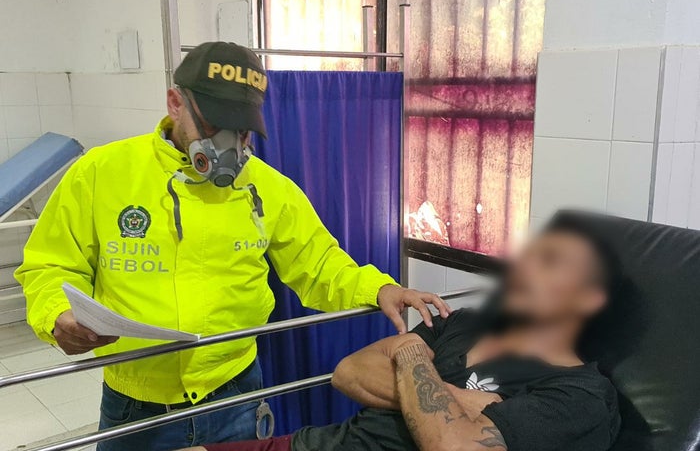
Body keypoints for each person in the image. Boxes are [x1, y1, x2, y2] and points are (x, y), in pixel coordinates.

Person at [14, 41, 450, 451]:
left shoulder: (269, 188)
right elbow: (50, 265)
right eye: (215, 125)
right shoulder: (101, 173)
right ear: (175, 103)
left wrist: (379, 288)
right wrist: (58, 315)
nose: (230, 143)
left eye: (242, 130)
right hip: (136, 401)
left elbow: (318, 264)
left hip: (235, 394)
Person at [183, 220, 622, 451]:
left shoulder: (581, 395)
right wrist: (457, 403)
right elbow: (348, 373)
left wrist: (408, 354)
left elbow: (451, 446)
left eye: (551, 264)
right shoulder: (464, 321)